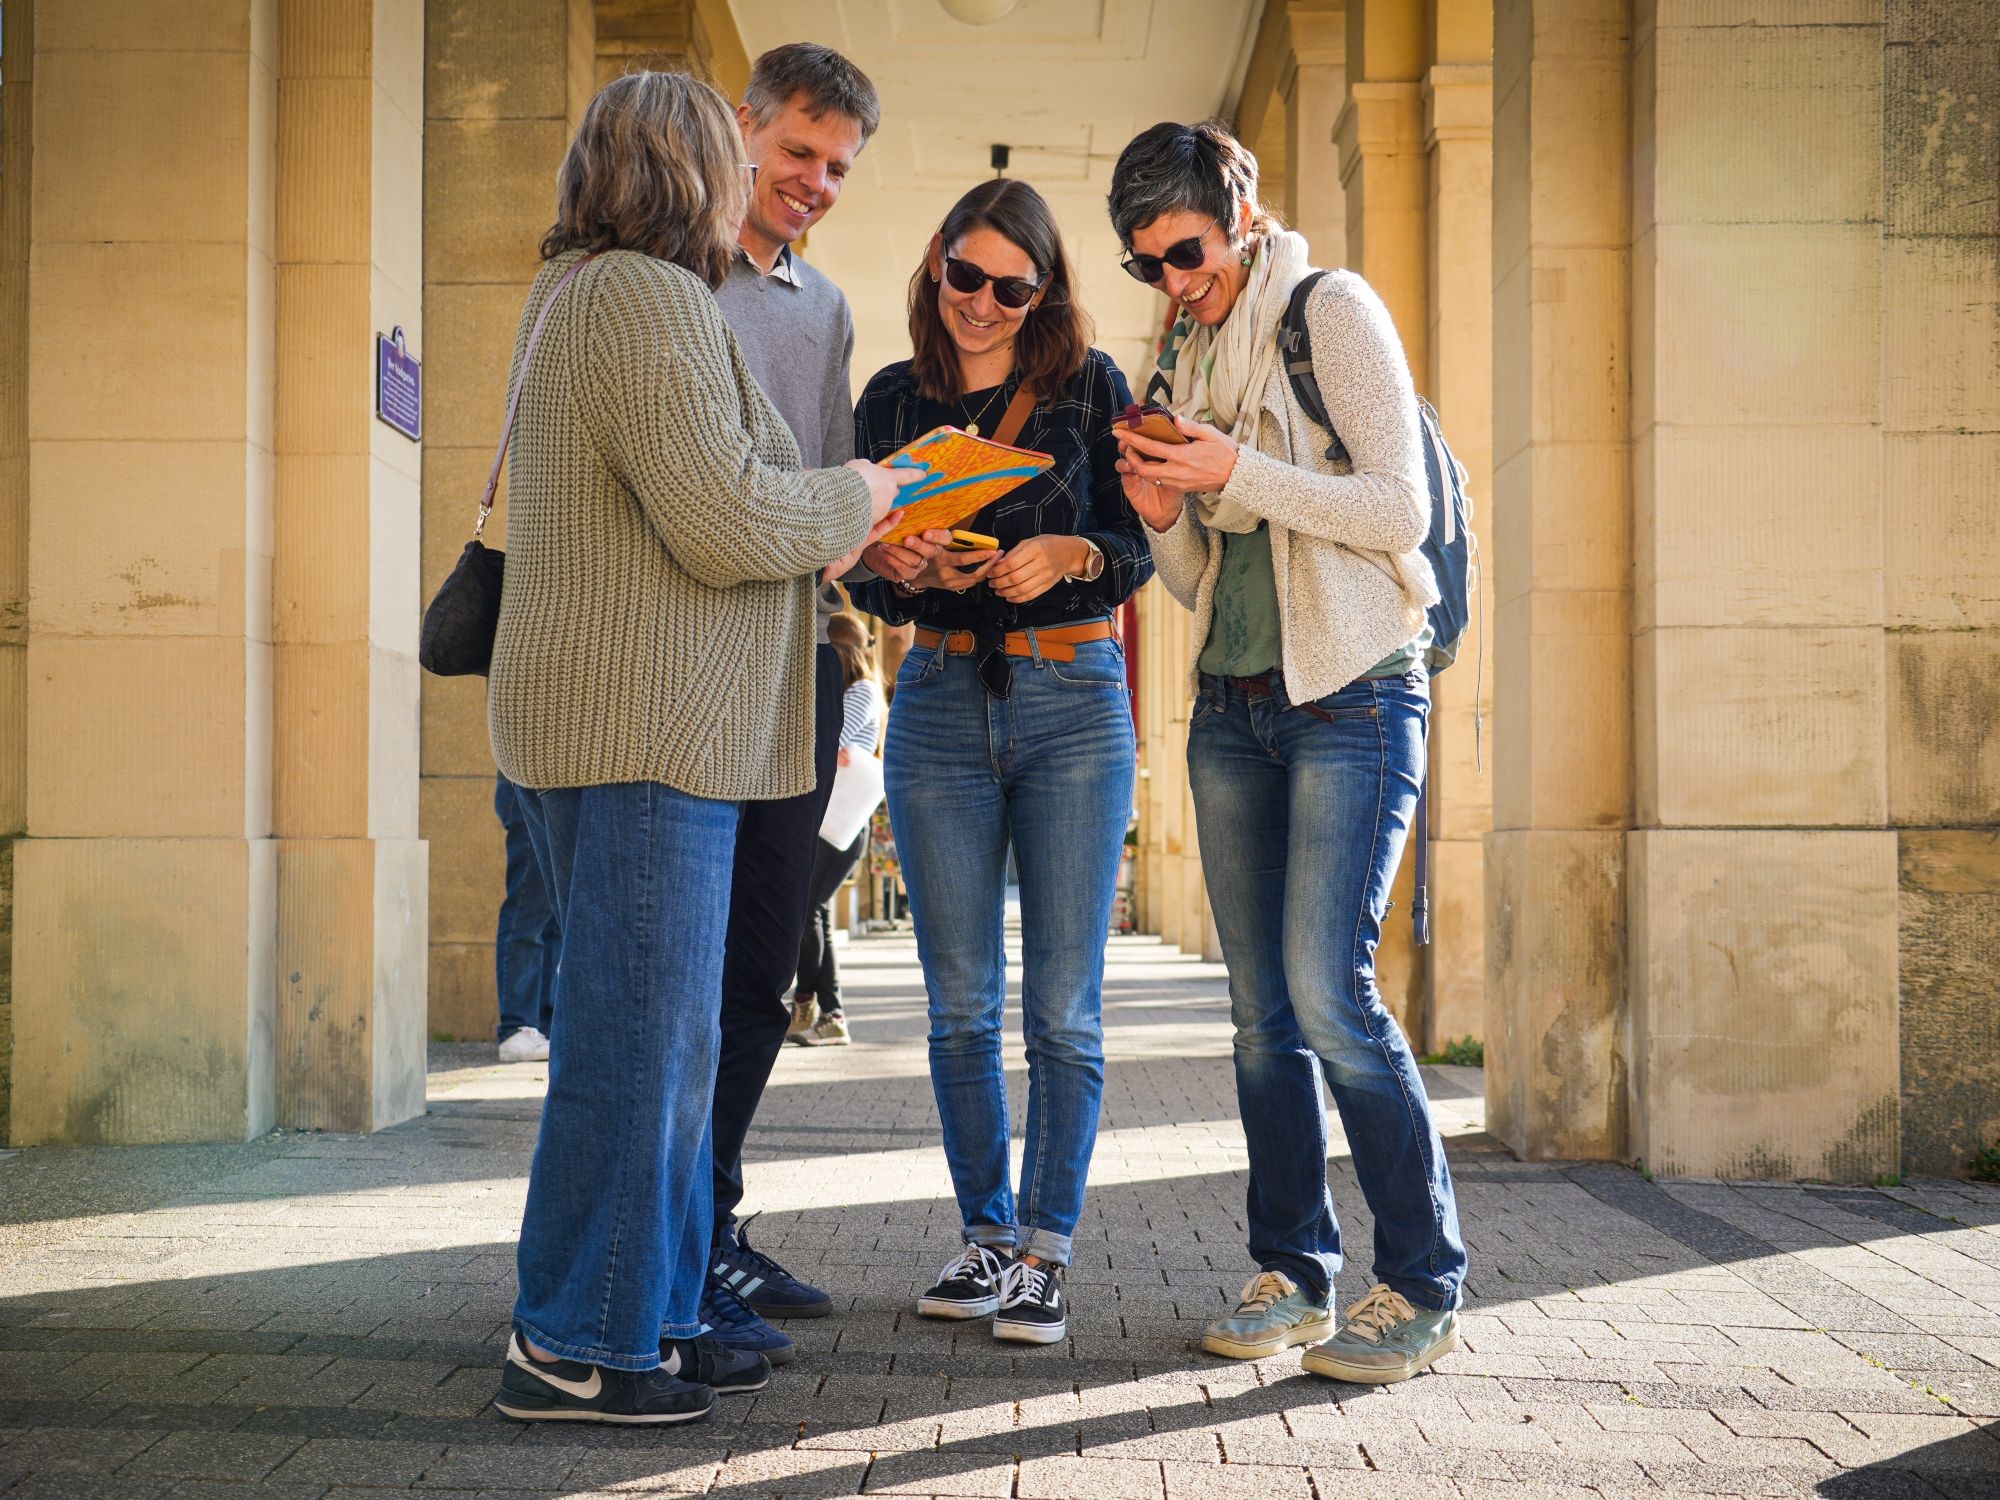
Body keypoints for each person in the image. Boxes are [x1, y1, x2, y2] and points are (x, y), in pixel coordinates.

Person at [485, 70, 908, 1426]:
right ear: (683, 166)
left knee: (660, 1052)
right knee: (629, 1054)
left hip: (640, 730)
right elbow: (725, 518)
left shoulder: (587, 293)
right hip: (644, 735)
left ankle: (649, 1316)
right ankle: (568, 1343)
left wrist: (829, 504)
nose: (753, 179)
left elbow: (707, 496)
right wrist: (861, 495)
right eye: (734, 153)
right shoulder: (643, 300)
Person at [1107, 120, 1467, 1383]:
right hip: (1235, 706)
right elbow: (1204, 569)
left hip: (1353, 695)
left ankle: (1419, 1282)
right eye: (1147, 263)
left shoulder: (1333, 310)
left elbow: (1398, 510)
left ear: (1239, 212)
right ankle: (1294, 1272)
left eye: (1186, 252)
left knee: (1328, 992)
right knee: (1259, 1017)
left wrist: (1237, 467)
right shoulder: (1187, 357)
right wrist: (1164, 512)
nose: (1173, 280)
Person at [849, 179, 1152, 1346]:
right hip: (933, 699)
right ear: (935, 266)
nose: (981, 304)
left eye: (1010, 287)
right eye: (964, 277)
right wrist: (909, 570)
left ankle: (1046, 1253)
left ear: (1045, 289)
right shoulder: (890, 398)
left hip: (1073, 697)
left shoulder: (1090, 387)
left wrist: (1069, 552)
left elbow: (1134, 545)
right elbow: (860, 563)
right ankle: (983, 1241)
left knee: (1061, 1012)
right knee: (958, 1006)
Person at [698, 43, 883, 1366]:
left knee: (763, 967)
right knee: (672, 978)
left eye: (837, 167)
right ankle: (662, 1246)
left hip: (796, 663)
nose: (815, 182)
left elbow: (826, 503)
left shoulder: (821, 309)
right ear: (742, 128)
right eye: (799, 152)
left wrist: (893, 541)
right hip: (684, 664)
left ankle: (710, 1224)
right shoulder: (658, 274)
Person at [788, 612, 885, 1047]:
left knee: (806, 908)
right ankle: (829, 1014)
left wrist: (826, 737)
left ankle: (810, 1003)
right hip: (830, 816)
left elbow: (833, 739)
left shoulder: (863, 690)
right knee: (816, 911)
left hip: (843, 821)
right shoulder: (849, 690)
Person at [493, 774, 559, 1063]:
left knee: (553, 917)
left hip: (552, 783)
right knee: (526, 909)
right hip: (528, 781)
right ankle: (516, 1025)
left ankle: (543, 1024)